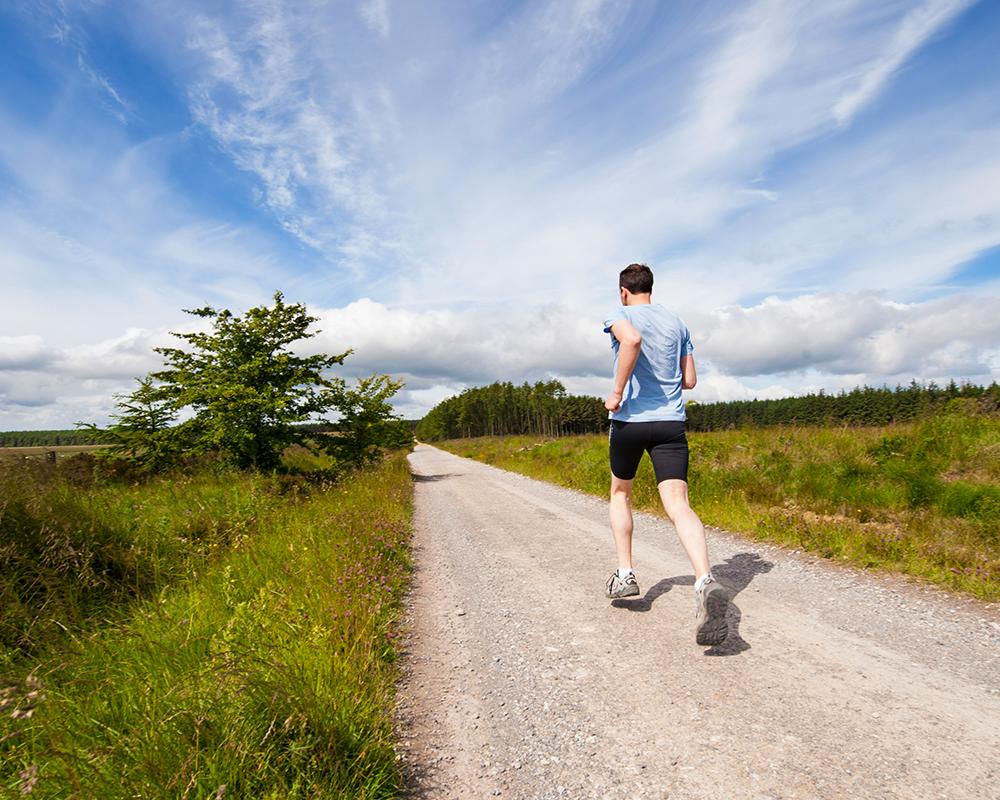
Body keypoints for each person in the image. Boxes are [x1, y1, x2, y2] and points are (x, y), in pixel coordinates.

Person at [602, 263, 729, 646]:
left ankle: (625, 574)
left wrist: (617, 392)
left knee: (621, 493)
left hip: (630, 422)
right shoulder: (677, 323)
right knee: (678, 503)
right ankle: (705, 579)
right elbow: (689, 380)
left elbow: (632, 341)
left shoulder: (619, 314)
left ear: (624, 291)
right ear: (650, 289)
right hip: (671, 423)